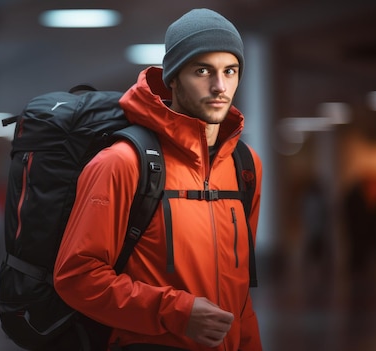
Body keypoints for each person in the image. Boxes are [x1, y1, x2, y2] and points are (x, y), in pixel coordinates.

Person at [54, 8, 263, 351]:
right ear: (174, 77)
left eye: (230, 71)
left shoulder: (245, 165)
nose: (220, 86)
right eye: (202, 71)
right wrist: (176, 312)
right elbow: (76, 276)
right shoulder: (123, 163)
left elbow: (241, 296)